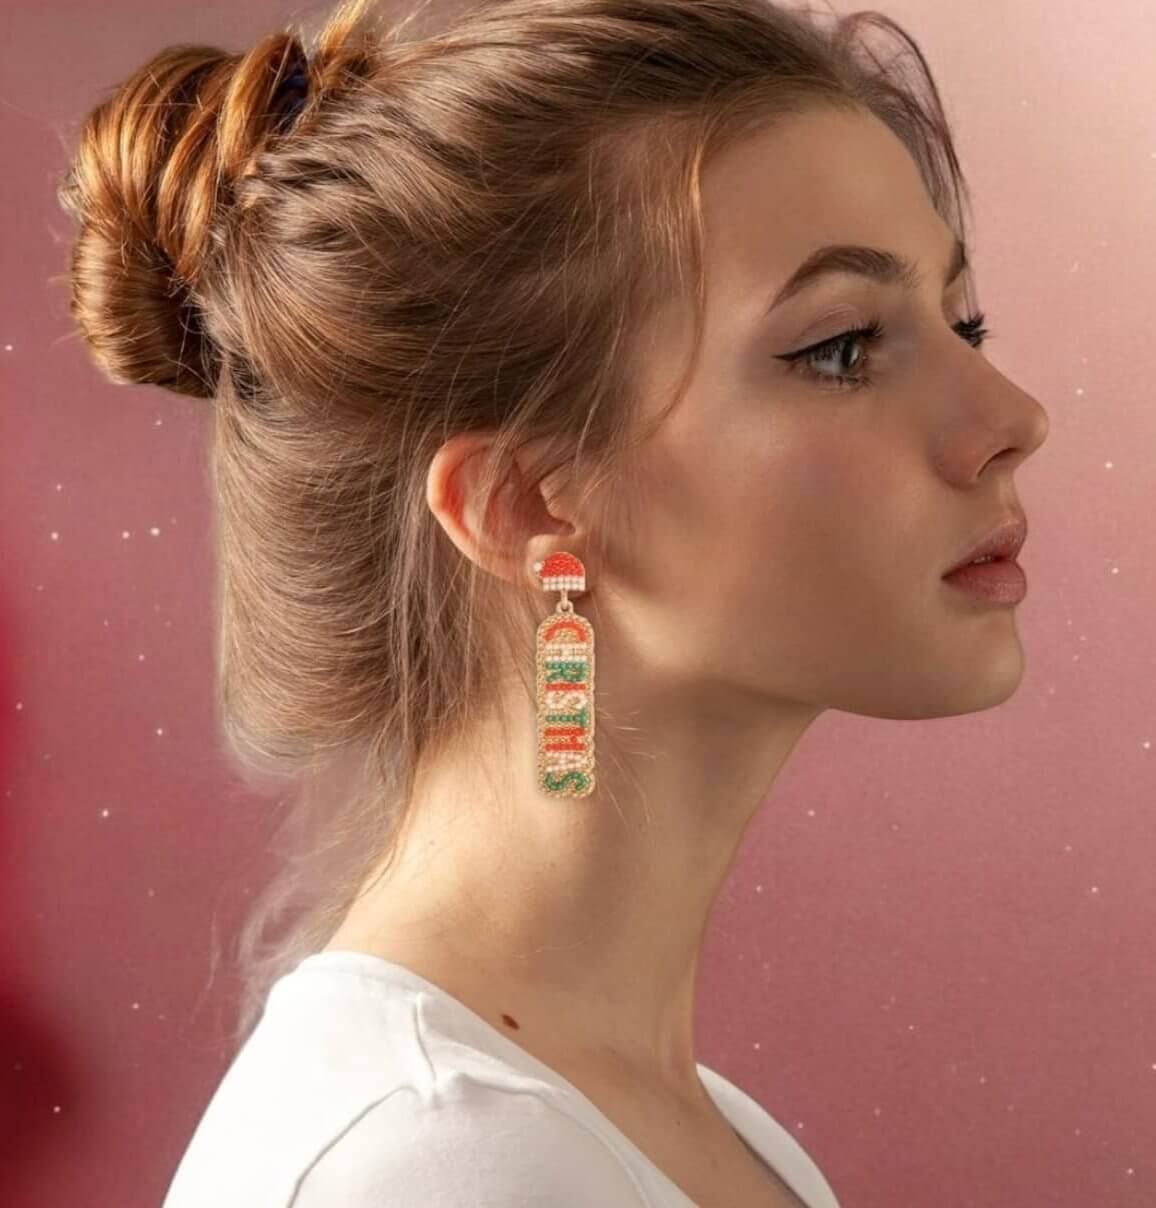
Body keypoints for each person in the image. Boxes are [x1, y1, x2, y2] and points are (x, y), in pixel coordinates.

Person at [57, 0, 1049, 1203]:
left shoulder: (653, 1124)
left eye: (962, 318)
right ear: (526, 506)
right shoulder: (442, 1165)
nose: (1010, 419)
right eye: (840, 346)